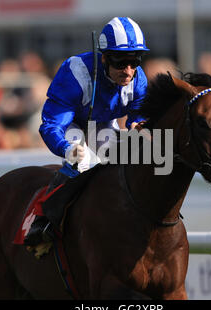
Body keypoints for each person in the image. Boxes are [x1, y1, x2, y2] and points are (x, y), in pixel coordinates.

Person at [24, 17, 150, 246]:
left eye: (135, 61)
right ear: (105, 58)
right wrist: (66, 148)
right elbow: (51, 125)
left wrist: (137, 124)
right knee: (84, 161)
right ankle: (43, 222)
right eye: (121, 62)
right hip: (71, 125)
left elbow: (138, 112)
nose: (129, 71)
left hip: (103, 124)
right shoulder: (75, 74)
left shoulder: (138, 78)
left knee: (128, 159)